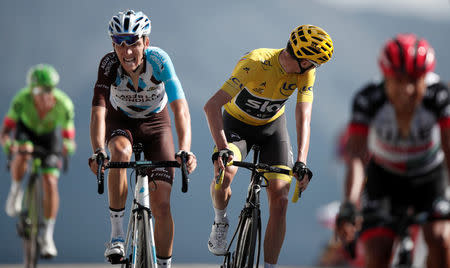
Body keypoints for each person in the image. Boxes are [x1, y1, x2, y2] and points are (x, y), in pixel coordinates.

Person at [204, 25, 334, 267]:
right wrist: (222, 147)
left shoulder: (306, 73)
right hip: (236, 127)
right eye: (314, 62)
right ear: (300, 57)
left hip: (272, 129)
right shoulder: (255, 62)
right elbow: (212, 106)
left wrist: (301, 161)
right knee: (225, 175)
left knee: (281, 199)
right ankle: (220, 220)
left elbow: (303, 116)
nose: (315, 67)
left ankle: (269, 265)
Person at [88, 10, 197, 268]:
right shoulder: (108, 65)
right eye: (119, 44)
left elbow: (180, 109)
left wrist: (185, 149)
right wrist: (97, 151)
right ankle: (116, 235)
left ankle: (164, 265)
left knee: (162, 206)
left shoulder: (159, 61)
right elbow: (98, 112)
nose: (126, 52)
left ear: (145, 43)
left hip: (156, 125)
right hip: (120, 122)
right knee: (120, 152)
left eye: (133, 43)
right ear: (113, 44)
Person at [335, 33, 450, 268]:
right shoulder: (368, 99)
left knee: (440, 240)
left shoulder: (439, 95)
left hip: (429, 178)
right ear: (386, 76)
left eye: (415, 80)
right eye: (399, 80)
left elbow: (449, 149)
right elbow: (357, 157)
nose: (407, 89)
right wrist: (348, 203)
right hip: (384, 178)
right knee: (377, 253)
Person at [0, 63, 76, 258]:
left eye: (48, 90)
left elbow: (68, 135)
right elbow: (6, 131)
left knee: (50, 181)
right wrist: (9, 145)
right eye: (37, 90)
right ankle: (16, 191)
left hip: (49, 139)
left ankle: (48, 235)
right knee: (24, 150)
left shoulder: (63, 104)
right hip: (27, 133)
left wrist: (67, 147)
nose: (43, 95)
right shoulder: (21, 100)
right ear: (30, 90)